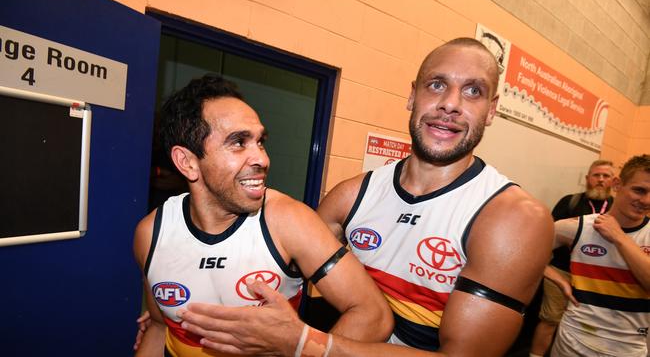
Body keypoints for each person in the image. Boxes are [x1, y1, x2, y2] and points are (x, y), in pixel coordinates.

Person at [175, 38, 555, 356]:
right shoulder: (351, 195)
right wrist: (168, 312)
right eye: (437, 84)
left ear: (492, 110)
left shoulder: (512, 217)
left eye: (474, 91)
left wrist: (309, 344)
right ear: (412, 95)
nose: (451, 103)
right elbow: (276, 272)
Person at [132, 74, 393, 356]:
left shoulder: (289, 221)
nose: (262, 159)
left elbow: (374, 315)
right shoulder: (152, 234)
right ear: (187, 162)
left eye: (260, 141)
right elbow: (159, 327)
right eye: (238, 142)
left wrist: (302, 346)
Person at [544, 154, 650, 356]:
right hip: (572, 341)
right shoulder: (578, 226)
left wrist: (619, 237)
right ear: (618, 185)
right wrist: (558, 279)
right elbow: (525, 252)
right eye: (639, 190)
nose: (646, 200)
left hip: (628, 347)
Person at [529, 159, 615, 357]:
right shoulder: (571, 201)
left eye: (606, 176)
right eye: (596, 175)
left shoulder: (617, 208)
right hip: (561, 271)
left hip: (595, 277)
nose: (600, 180)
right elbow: (547, 233)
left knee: (587, 323)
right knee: (550, 319)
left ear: (614, 181)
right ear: (587, 179)